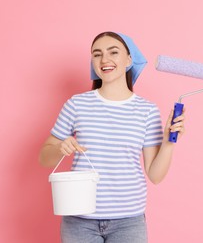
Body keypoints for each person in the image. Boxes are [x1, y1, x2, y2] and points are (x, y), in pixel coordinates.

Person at [39, 31, 185, 243]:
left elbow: (155, 175)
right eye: (97, 54)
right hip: (79, 221)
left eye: (113, 52)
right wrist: (60, 146)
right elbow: (44, 158)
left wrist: (169, 143)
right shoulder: (77, 104)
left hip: (128, 222)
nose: (104, 59)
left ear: (128, 59)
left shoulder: (147, 110)